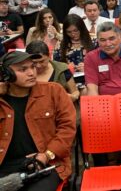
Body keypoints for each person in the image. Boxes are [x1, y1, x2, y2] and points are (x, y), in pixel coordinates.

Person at [0, 51, 76, 190]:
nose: (31, 73)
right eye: (23, 69)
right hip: (6, 167)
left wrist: (46, 155)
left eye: (32, 67)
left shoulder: (53, 91)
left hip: (45, 164)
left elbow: (67, 129)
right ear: (7, 74)